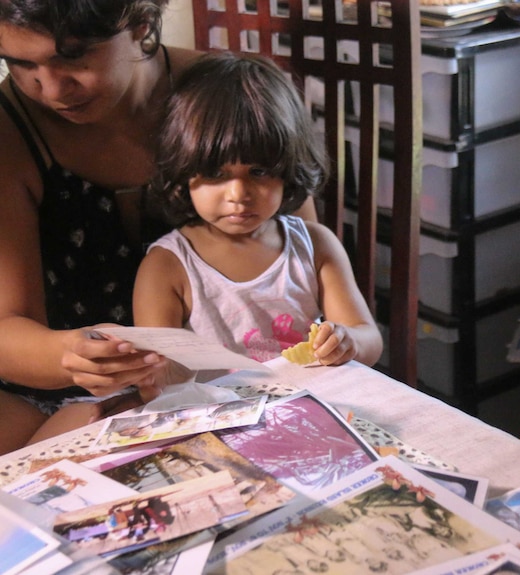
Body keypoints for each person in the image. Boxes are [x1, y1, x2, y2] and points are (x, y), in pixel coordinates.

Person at [0, 0, 317, 454]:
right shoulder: (8, 131)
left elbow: (301, 256)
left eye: (72, 56)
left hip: (226, 380)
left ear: (142, 24)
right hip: (57, 387)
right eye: (20, 63)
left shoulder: (232, 98)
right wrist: (74, 355)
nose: (51, 88)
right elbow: (8, 330)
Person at [134, 51, 383, 371]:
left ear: (287, 170)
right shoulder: (167, 267)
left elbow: (370, 342)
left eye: (259, 172)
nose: (238, 195)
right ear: (184, 172)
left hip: (313, 407)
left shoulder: (315, 246)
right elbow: (158, 381)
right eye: (216, 174)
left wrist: (347, 341)